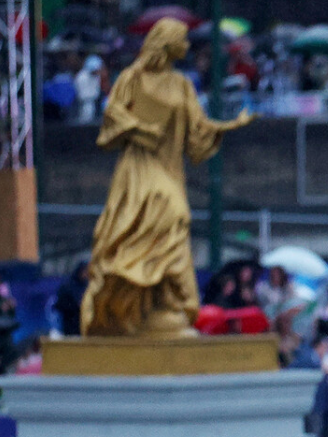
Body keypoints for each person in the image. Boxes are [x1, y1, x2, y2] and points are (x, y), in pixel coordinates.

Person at [79, 19, 254, 337]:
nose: (187, 46)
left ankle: (161, 303)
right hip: (139, 168)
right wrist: (140, 129)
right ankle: (134, 292)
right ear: (166, 42)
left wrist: (228, 126)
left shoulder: (181, 84)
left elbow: (197, 130)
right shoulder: (132, 78)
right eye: (182, 39)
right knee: (172, 214)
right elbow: (112, 117)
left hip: (169, 168)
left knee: (169, 226)